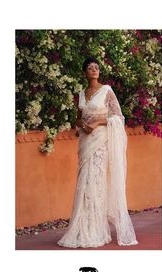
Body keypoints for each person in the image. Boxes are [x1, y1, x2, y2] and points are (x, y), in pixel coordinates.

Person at [57, 56, 138, 248]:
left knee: (96, 181)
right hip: (85, 141)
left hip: (100, 140)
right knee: (84, 181)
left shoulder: (107, 90)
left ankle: (96, 229)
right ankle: (81, 227)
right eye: (90, 68)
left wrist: (98, 122)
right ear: (85, 72)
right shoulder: (82, 93)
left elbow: (118, 116)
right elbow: (78, 118)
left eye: (97, 67)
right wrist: (83, 124)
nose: (95, 70)